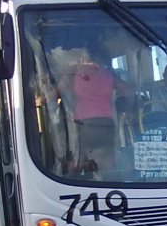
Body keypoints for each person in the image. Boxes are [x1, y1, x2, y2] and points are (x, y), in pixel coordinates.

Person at [55, 49, 134, 178]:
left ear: (82, 57)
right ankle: (110, 188)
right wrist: (127, 110)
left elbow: (57, 92)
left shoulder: (74, 71)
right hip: (105, 124)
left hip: (83, 124)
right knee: (106, 164)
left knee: (78, 161)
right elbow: (129, 92)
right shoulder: (108, 74)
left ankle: (77, 188)